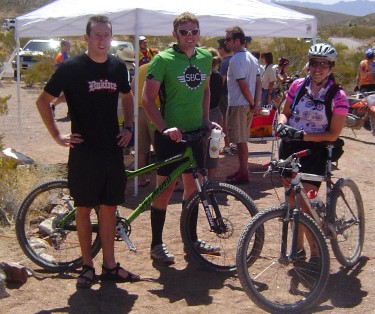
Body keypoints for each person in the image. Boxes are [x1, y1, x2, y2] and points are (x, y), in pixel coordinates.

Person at [35, 15, 139, 288]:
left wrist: (128, 127)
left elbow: (128, 96)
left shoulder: (118, 67)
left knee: (108, 209)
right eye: (97, 35)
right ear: (87, 38)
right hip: (84, 151)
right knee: (83, 210)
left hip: (112, 150)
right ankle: (87, 266)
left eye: (107, 35)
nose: (102, 40)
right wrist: (57, 136)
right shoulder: (71, 68)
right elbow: (43, 101)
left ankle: (110, 265)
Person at [142, 11, 220, 264]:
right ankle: (156, 245)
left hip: (195, 134)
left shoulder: (205, 57)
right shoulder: (162, 60)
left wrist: (206, 119)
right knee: (164, 192)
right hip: (170, 137)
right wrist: (164, 127)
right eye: (184, 32)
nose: (189, 36)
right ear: (174, 34)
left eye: (194, 31)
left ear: (199, 33)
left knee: (194, 189)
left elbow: (206, 91)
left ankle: (192, 240)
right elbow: (147, 100)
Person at [276, 43, 349, 263]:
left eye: (323, 64)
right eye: (314, 63)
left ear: (331, 68)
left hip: (315, 151)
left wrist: (303, 135)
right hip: (290, 147)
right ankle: (297, 250)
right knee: (291, 200)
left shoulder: (338, 96)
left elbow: (333, 134)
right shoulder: (298, 85)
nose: (318, 68)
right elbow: (284, 112)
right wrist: (282, 124)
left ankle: (316, 253)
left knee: (306, 205)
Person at [224, 26, 260, 184]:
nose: (226, 43)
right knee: (241, 139)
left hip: (240, 104)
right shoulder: (252, 58)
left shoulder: (235, 60)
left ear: (237, 40)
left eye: (228, 39)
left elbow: (243, 85)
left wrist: (253, 103)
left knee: (240, 140)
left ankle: (244, 172)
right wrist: (255, 103)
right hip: (246, 103)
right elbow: (258, 82)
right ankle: (242, 169)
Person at [131, 62, 159, 187]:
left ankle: (141, 179)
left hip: (139, 110)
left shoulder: (141, 68)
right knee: (160, 148)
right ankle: (162, 181)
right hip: (154, 109)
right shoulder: (160, 67)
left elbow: (131, 88)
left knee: (141, 148)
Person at [205, 47, 223, 181]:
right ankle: (211, 179)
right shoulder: (217, 76)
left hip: (205, 115)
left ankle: (201, 180)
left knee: (200, 149)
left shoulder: (205, 76)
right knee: (213, 148)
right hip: (216, 113)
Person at [217, 38, 234, 156]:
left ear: (222, 49)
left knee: (224, 120)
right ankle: (233, 144)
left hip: (224, 94)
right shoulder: (234, 59)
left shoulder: (224, 62)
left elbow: (222, 79)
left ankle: (227, 145)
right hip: (233, 94)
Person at [51, 40, 71, 118]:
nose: (69, 47)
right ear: (63, 46)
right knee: (67, 95)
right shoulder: (61, 55)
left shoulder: (65, 55)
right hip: (63, 78)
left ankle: (69, 112)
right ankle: (52, 107)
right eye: (68, 45)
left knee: (68, 95)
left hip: (66, 78)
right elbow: (57, 67)